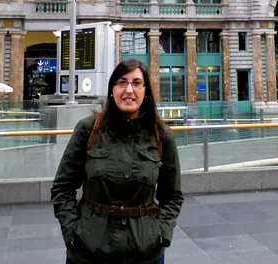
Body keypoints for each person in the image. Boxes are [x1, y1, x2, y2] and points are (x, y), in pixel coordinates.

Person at [52, 60, 184, 264]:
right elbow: (62, 186)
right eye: (122, 82)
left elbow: (172, 196)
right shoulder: (88, 130)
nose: (129, 90)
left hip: (144, 252)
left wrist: (162, 234)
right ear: (112, 89)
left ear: (146, 91)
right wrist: (72, 233)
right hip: (89, 252)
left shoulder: (162, 136)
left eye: (136, 83)